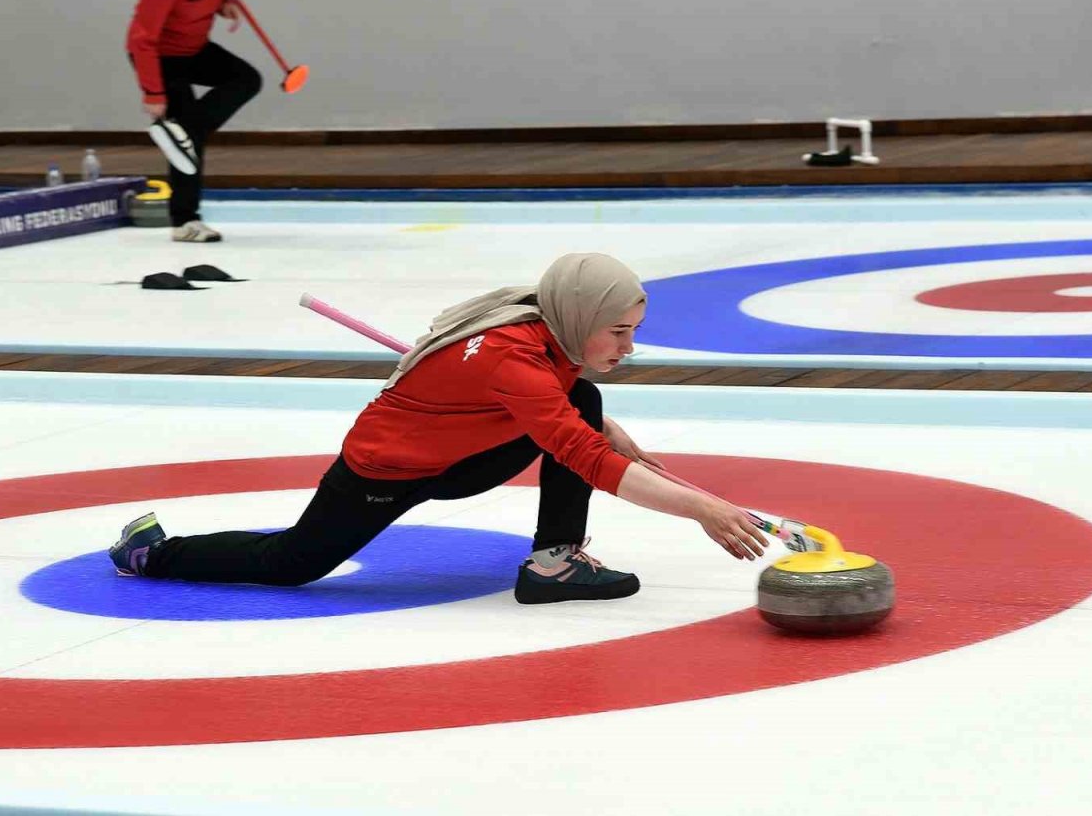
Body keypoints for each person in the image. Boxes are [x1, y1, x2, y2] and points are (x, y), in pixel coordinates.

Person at [109, 253, 770, 604]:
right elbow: (578, 451)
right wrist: (705, 509)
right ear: (579, 312)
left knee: (588, 403)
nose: (629, 345)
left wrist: (598, 421)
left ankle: (554, 563)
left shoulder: (542, 321)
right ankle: (153, 551)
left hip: (461, 450)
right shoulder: (515, 359)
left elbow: (560, 409)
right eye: (619, 330)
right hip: (386, 470)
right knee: (292, 563)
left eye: (634, 330)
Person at [126, 0, 262, 243]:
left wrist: (222, 4)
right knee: (190, 136)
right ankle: (184, 221)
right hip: (158, 57)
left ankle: (181, 131)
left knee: (246, 79)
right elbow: (142, 38)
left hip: (193, 50)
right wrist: (153, 92)